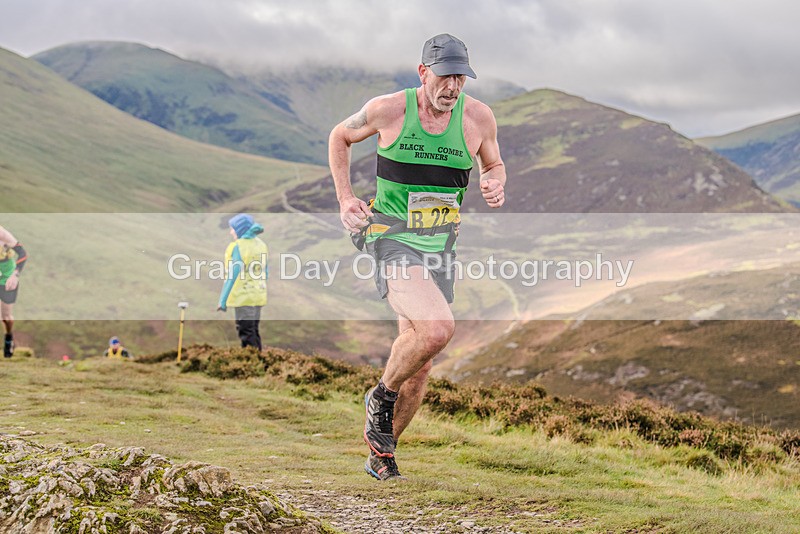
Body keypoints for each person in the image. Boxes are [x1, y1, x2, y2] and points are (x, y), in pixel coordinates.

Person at [329, 33, 506, 480]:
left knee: (421, 364)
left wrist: (494, 181)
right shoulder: (390, 109)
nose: (453, 88)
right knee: (438, 328)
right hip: (391, 236)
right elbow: (340, 136)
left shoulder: (479, 117)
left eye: (461, 78)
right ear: (423, 72)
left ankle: (381, 454)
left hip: (441, 245)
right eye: (445, 77)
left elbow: (493, 164)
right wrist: (346, 198)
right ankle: (380, 397)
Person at [217, 214, 268, 351]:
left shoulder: (237, 247)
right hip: (258, 296)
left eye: (232, 229)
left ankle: (251, 365)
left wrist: (222, 301)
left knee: (246, 332)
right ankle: (260, 362)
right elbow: (265, 272)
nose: (231, 232)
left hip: (243, 297)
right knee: (253, 330)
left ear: (240, 229)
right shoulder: (261, 245)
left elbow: (232, 276)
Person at [0, 226, 28, 358]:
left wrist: (15, 275)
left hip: (6, 279)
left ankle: (8, 337)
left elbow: (23, 254)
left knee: (6, 317)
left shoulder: (3, 235)